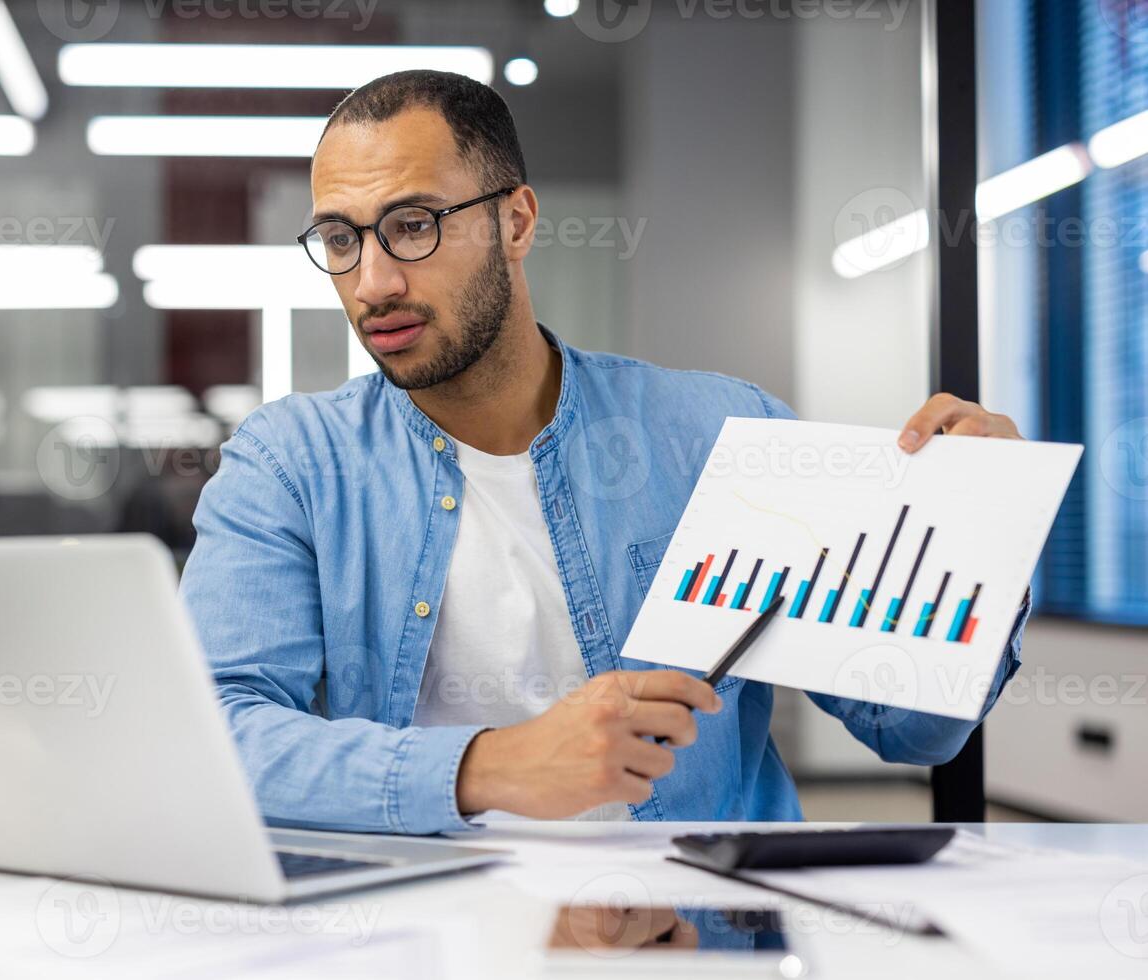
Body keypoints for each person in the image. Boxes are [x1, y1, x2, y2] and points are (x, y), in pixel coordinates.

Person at [179, 70, 1027, 833]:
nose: (372, 283)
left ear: (516, 221)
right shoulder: (290, 464)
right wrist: (488, 767)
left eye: (412, 225)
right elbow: (220, 730)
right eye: (340, 239)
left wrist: (981, 538)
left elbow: (912, 729)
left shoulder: (716, 434)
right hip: (430, 932)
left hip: (698, 928)